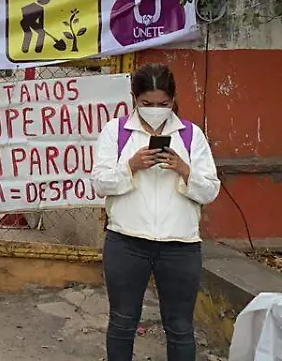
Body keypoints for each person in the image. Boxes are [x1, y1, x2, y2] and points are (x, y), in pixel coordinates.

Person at [92, 63, 220, 361]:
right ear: (134, 98)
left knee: (179, 327)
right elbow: (99, 183)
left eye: (162, 104)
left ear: (173, 100)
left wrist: (185, 170)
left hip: (181, 245)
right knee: (123, 323)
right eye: (146, 104)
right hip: (126, 242)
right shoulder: (116, 132)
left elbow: (210, 190)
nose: (154, 109)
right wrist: (131, 166)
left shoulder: (191, 136)